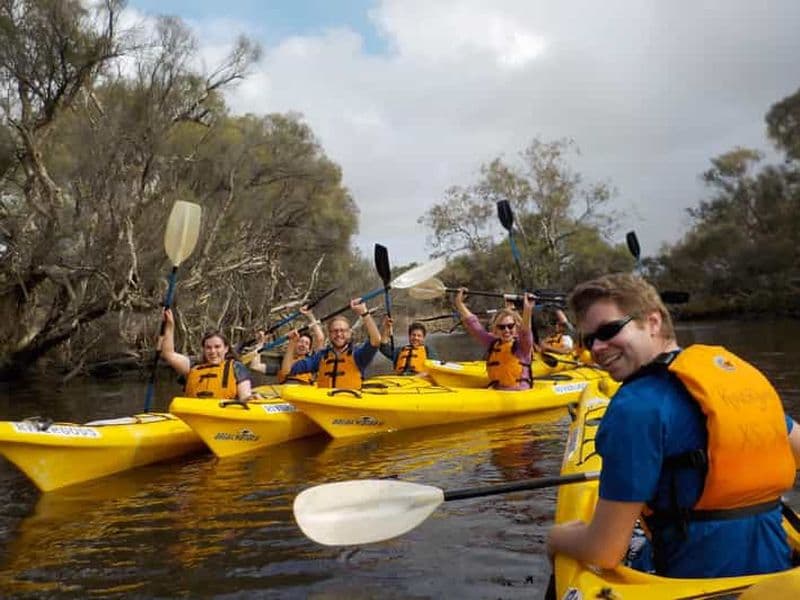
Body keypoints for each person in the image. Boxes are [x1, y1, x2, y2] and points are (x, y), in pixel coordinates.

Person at [547, 273, 800, 578]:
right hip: (778, 566)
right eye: (589, 339)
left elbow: (605, 550)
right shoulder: (732, 377)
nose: (597, 348)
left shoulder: (634, 407)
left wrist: (556, 537)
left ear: (653, 322)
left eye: (609, 330)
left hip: (694, 580)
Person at [283, 297, 381, 388]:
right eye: (335, 331)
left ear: (349, 333)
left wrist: (364, 313)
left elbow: (376, 340)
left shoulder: (358, 355)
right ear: (329, 334)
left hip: (348, 403)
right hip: (325, 404)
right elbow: (287, 371)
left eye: (342, 330)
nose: (338, 334)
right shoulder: (321, 357)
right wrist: (292, 343)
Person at [161, 308, 254, 401]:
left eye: (217, 347)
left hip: (222, 412)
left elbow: (245, 396)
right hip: (193, 412)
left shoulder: (236, 367)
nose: (213, 351)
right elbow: (168, 354)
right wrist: (169, 326)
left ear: (226, 349)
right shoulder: (193, 366)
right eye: (208, 347)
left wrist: (250, 398)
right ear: (204, 349)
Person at [453, 288, 535, 390]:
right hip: (497, 391)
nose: (506, 330)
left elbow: (525, 332)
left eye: (510, 326)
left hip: (518, 392)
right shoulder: (492, 343)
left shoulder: (522, 346)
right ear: (495, 330)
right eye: (501, 327)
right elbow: (475, 327)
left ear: (516, 327)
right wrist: (459, 304)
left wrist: (528, 310)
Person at [251, 306, 325, 383]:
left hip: (304, 391)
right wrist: (260, 343)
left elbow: (320, 339)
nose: (303, 345)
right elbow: (255, 366)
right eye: (300, 341)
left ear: (309, 349)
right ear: (294, 343)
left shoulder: (310, 362)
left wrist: (310, 315)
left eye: (306, 343)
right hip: (286, 391)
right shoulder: (282, 363)